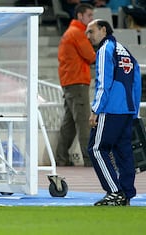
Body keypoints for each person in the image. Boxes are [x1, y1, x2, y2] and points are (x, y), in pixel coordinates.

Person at [85, 19, 141, 206]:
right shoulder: (124, 51)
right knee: (124, 152)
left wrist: (96, 110)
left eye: (91, 31)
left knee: (96, 148)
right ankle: (126, 193)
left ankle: (114, 191)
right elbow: (137, 81)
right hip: (127, 109)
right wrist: (134, 111)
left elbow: (103, 83)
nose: (88, 36)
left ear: (103, 30)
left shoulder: (104, 50)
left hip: (111, 109)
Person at [55, 3, 96, 167]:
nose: (92, 19)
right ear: (80, 16)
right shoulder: (77, 33)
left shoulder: (71, 32)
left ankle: (61, 158)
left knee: (70, 124)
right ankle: (89, 159)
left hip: (71, 82)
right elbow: (90, 56)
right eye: (89, 15)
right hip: (77, 82)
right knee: (84, 122)